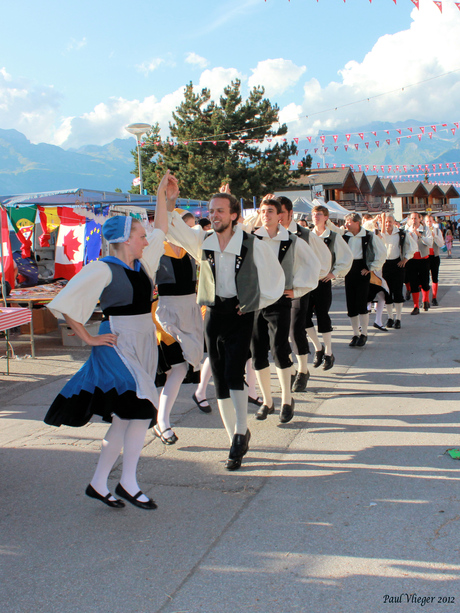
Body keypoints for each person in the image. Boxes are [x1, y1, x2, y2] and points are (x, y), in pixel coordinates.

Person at [44, 197, 168, 509]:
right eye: (141, 235)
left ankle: (100, 483)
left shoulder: (141, 265)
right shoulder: (103, 268)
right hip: (119, 345)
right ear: (127, 239)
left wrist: (164, 197)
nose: (145, 239)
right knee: (138, 410)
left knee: (129, 417)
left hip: (143, 341)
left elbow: (161, 231)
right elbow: (65, 300)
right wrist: (87, 337)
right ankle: (127, 482)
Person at [162, 172, 285, 470]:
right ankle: (235, 440)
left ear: (234, 215)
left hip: (241, 314)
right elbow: (168, 225)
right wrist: (170, 199)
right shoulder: (202, 240)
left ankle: (241, 432)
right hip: (214, 314)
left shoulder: (253, 243)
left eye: (219, 210)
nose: (213, 215)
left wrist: (254, 304)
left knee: (233, 375)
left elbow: (275, 280)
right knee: (219, 378)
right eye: (211, 210)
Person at [251, 198, 320, 421]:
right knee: (257, 352)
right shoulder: (252, 238)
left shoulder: (291, 240)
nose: (266, 215)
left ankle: (287, 400)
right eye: (262, 211)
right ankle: (267, 401)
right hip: (256, 301)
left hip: (279, 301)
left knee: (279, 349)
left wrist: (297, 289)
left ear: (279, 214)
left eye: (270, 211)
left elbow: (314, 265)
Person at [153, 204, 204, 443]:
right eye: (185, 226)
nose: (189, 231)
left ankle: (160, 419)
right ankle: (162, 421)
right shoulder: (156, 250)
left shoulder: (192, 251)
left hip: (191, 312)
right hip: (166, 315)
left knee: (181, 368)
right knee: (178, 369)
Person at [277, 196, 331, 388]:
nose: (278, 216)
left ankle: (303, 371)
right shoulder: (269, 235)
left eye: (281, 212)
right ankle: (290, 369)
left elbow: (324, 261)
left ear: (290, 213)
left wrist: (305, 284)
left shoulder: (306, 235)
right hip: (275, 290)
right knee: (279, 333)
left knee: (295, 329)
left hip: (298, 290)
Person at [309, 204, 353, 367]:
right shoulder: (307, 235)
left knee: (322, 316)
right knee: (304, 318)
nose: (316, 216)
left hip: (323, 282)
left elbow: (347, 257)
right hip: (307, 282)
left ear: (326, 217)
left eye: (319, 214)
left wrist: (334, 273)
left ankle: (328, 352)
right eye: (314, 214)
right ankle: (318, 348)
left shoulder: (333, 237)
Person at [342, 213, 387, 347]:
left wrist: (371, 267)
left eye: (349, 222)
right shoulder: (345, 236)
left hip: (362, 269)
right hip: (349, 270)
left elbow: (382, 252)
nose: (346, 224)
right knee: (351, 304)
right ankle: (355, 333)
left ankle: (364, 333)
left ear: (357, 223)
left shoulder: (369, 235)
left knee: (361, 302)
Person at [380, 213, 416, 329]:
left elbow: (413, 246)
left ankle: (398, 318)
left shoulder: (401, 234)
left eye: (390, 221)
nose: (388, 224)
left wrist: (406, 258)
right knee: (387, 294)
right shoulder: (381, 234)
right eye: (386, 221)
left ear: (394, 222)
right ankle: (390, 318)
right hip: (385, 265)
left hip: (397, 264)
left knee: (398, 292)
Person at [404, 212, 433, 314]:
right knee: (413, 283)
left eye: (415, 218)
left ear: (420, 219)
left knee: (425, 282)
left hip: (423, 258)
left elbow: (430, 242)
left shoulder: (425, 229)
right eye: (412, 218)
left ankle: (425, 300)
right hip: (411, 260)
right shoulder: (407, 230)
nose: (414, 220)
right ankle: (416, 306)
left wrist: (420, 236)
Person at [424, 214, 445, 305]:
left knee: (435, 277)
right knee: (425, 278)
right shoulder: (422, 231)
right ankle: (426, 299)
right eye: (427, 221)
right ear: (424, 222)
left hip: (435, 256)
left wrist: (435, 236)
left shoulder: (437, 230)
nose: (429, 223)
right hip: (425, 256)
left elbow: (441, 244)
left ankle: (434, 297)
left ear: (433, 222)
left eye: (430, 221)